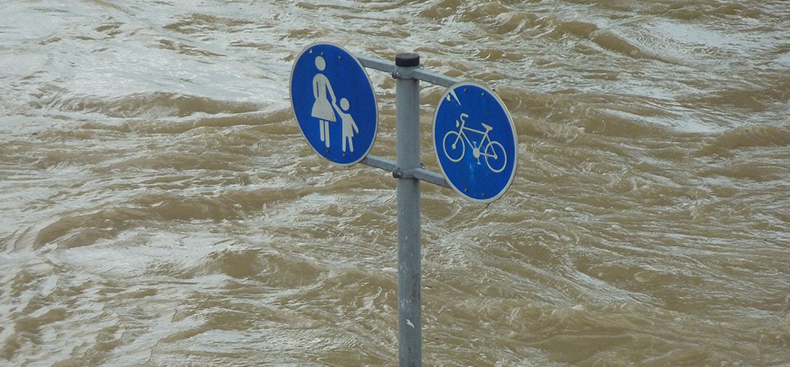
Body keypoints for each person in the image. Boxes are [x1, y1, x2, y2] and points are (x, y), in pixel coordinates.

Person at [311, 56, 336, 148]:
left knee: (323, 118)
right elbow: (329, 89)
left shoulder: (317, 77)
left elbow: (316, 91)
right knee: (325, 118)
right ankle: (325, 141)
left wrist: (318, 98)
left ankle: (324, 141)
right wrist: (333, 99)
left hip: (320, 100)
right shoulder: (321, 77)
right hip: (323, 100)